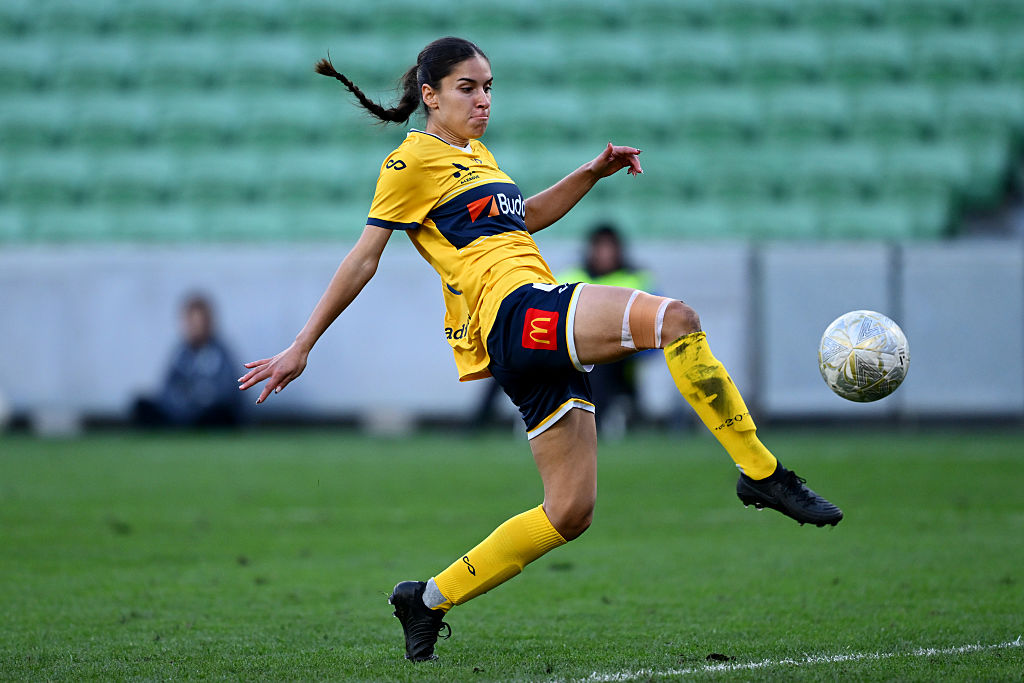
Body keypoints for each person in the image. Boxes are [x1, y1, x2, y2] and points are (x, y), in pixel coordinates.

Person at [237, 37, 842, 662]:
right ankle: (763, 474)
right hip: (516, 311)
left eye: (489, 87)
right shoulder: (408, 163)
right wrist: (301, 345)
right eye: (467, 89)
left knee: (570, 511)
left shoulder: (475, 157)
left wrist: (588, 173)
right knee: (677, 320)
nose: (483, 100)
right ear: (430, 96)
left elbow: (520, 217)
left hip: (525, 328)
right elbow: (364, 259)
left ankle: (427, 599)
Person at [559, 224, 653, 435]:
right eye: (600, 248)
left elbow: (656, 326)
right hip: (574, 353)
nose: (605, 254)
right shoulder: (571, 275)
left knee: (599, 362)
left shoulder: (638, 279)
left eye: (609, 248)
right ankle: (480, 421)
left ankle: (592, 424)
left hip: (622, 357)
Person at [134, 293, 241, 429]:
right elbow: (166, 390)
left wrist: (200, 397)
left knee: (220, 414)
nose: (195, 328)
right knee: (141, 406)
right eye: (191, 323)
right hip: (181, 413)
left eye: (199, 323)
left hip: (207, 413)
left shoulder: (220, 353)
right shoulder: (180, 354)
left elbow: (228, 391)